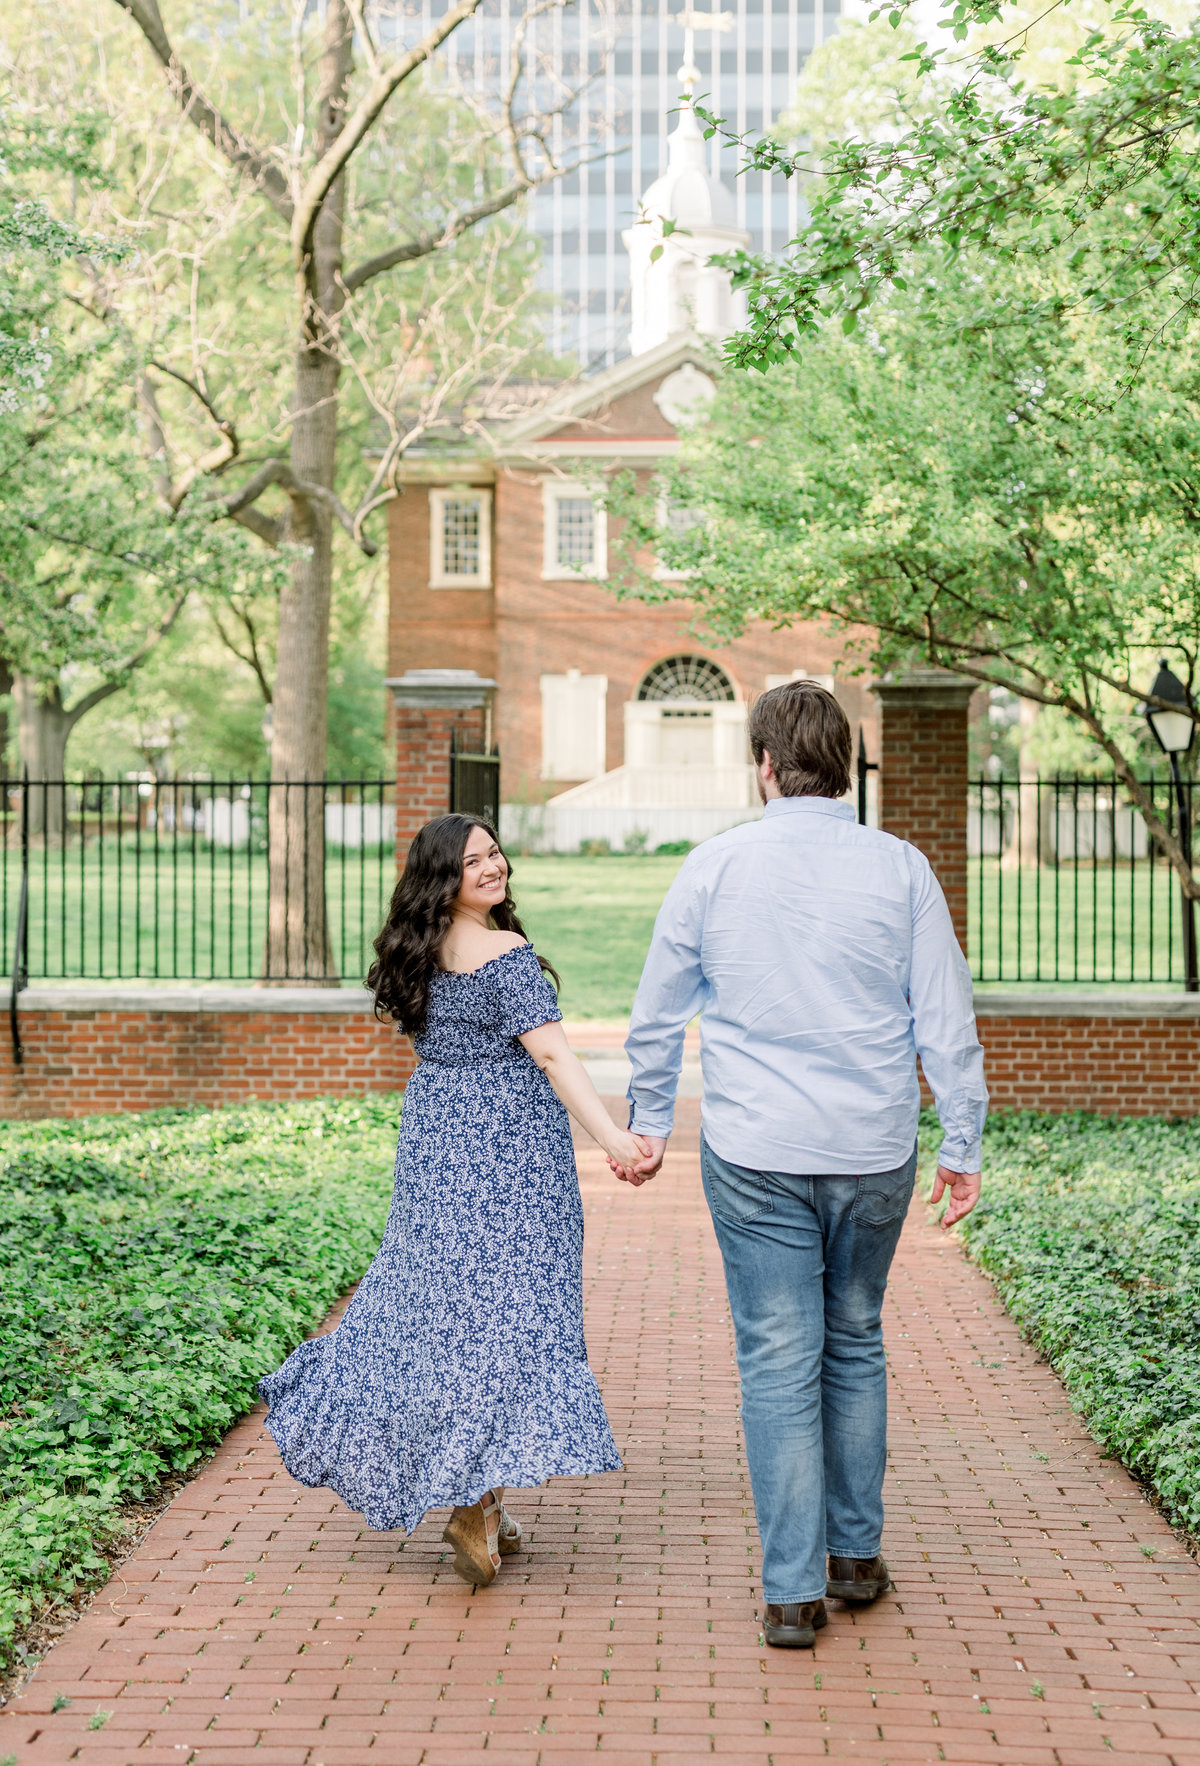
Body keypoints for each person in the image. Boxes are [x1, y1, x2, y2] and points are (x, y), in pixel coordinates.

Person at [617, 680, 988, 1648]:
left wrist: (650, 1119)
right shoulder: (901, 866)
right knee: (855, 1335)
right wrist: (964, 1142)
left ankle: (792, 1591)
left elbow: (657, 1012)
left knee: (780, 1358)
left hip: (757, 1149)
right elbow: (944, 1017)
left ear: (766, 764)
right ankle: (855, 1555)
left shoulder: (714, 865)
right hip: (872, 1145)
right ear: (846, 761)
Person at [260, 813, 651, 1587]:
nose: (493, 866)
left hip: (437, 1150)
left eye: (495, 852)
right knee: (509, 1317)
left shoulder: (419, 951)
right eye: (473, 861)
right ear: (445, 876)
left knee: (441, 1314)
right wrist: (612, 1136)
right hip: (508, 1162)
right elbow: (551, 1053)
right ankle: (474, 1500)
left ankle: (484, 1493)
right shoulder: (505, 957)